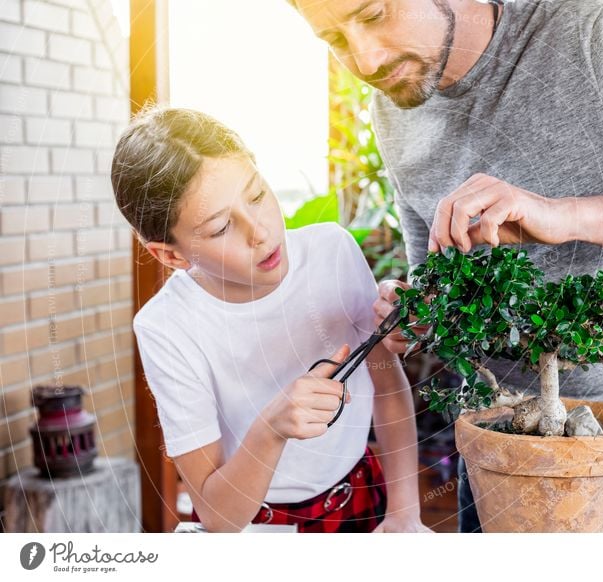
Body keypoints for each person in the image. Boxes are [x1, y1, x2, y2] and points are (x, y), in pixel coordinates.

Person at [290, 0, 603, 532]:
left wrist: (562, 215)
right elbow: (436, 273)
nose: (366, 60)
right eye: (335, 40)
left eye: (372, 16)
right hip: (501, 444)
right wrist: (420, 311)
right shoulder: (393, 101)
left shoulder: (585, 32)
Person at [112, 107, 431, 533]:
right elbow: (219, 517)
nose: (259, 231)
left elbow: (387, 387)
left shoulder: (331, 251)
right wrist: (271, 428)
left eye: (257, 194)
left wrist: (405, 515)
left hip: (362, 498)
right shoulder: (167, 327)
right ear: (171, 255)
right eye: (222, 226)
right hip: (258, 528)